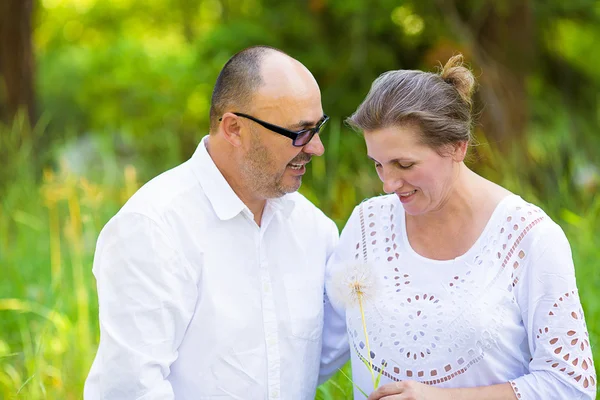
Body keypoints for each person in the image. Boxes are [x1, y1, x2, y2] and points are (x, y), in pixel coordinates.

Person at [320, 54, 596, 399]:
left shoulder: (530, 237)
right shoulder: (366, 224)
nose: (388, 184)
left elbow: (570, 385)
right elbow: (318, 348)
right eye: (377, 165)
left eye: (404, 164)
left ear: (457, 147)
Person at [84, 46, 339, 400]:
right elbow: (130, 389)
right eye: (300, 132)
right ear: (234, 129)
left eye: (318, 127)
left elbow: (320, 356)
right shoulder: (152, 228)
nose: (316, 148)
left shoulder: (313, 228)